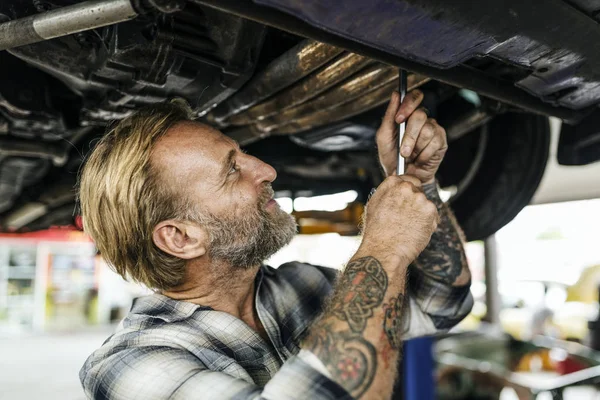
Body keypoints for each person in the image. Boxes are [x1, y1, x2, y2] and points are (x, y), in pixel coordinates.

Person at [78, 90, 473, 399]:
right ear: (180, 237)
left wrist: (416, 181)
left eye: (243, 154)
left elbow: (440, 306)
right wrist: (383, 250)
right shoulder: (131, 367)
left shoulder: (302, 287)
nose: (267, 171)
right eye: (232, 171)